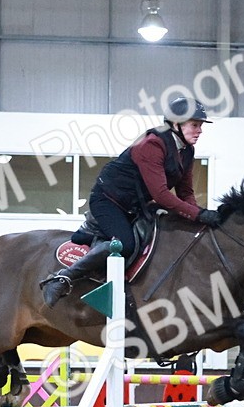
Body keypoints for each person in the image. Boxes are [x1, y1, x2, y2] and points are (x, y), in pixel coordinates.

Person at [39, 96, 222, 307]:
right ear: (176, 124)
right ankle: (62, 279)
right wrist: (198, 214)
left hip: (136, 205)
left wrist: (199, 216)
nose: (200, 130)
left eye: (200, 126)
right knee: (125, 244)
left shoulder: (187, 151)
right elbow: (162, 194)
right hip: (108, 200)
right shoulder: (152, 144)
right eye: (195, 125)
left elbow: (185, 192)